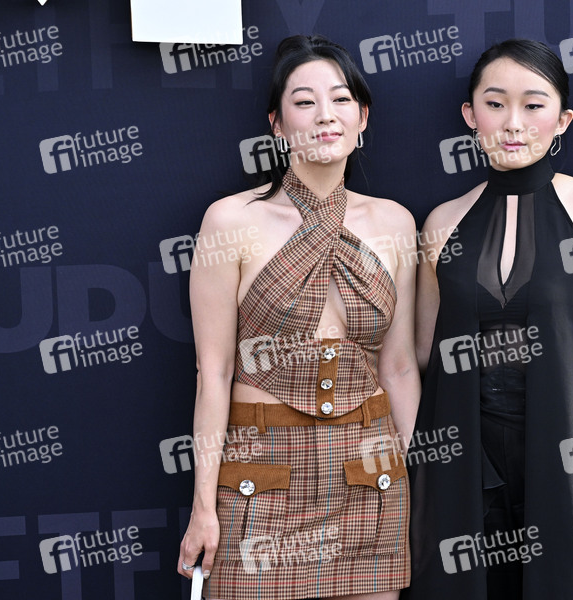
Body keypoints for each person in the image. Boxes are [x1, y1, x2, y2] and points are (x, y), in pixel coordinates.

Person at [406, 39, 573, 599]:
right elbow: (423, 353)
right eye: (495, 103)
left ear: (562, 120)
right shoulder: (440, 224)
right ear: (470, 115)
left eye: (533, 105)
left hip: (569, 453)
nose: (513, 123)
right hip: (464, 460)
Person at [177, 35, 419, 600]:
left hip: (370, 472)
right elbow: (213, 373)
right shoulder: (230, 221)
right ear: (278, 124)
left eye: (340, 99)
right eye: (304, 102)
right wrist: (203, 505)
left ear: (362, 117)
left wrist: (412, 475)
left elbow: (400, 367)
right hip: (260, 471)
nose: (325, 115)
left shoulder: (396, 223)